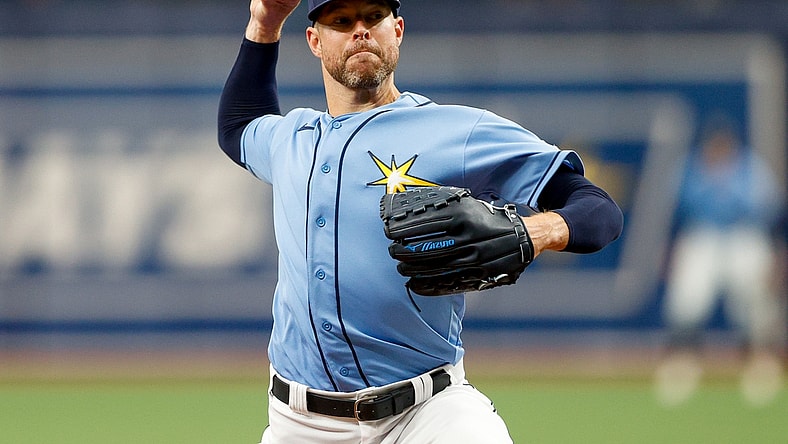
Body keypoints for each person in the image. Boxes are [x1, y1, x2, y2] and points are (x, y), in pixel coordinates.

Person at [217, 0, 623, 442]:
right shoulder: (291, 139)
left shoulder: (456, 131)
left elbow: (598, 208)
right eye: (340, 21)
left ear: (399, 30)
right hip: (298, 424)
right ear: (315, 41)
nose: (361, 31)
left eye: (374, 17)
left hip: (426, 414)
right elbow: (238, 125)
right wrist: (265, 22)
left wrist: (538, 231)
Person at [654, 117, 785, 407]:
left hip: (744, 235)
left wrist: (777, 256)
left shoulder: (751, 168)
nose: (719, 150)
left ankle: (760, 364)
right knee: (688, 299)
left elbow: (772, 216)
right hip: (702, 235)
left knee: (755, 303)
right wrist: (670, 250)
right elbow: (675, 215)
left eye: (724, 145)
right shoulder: (691, 167)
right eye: (714, 145)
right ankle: (683, 364)